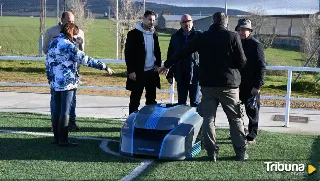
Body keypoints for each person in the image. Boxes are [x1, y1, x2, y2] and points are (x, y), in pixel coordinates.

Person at [158, 12, 248, 162]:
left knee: (208, 119)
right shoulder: (233, 36)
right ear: (226, 22)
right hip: (229, 86)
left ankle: (211, 153)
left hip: (208, 85)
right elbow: (242, 62)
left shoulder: (202, 37)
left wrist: (166, 64)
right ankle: (241, 152)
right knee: (235, 119)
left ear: (212, 21)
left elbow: (182, 52)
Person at [46, 23, 114, 146]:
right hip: (66, 83)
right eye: (75, 35)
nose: (75, 38)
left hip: (54, 81)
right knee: (65, 112)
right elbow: (85, 60)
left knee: (56, 111)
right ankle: (64, 140)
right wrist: (104, 66)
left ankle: (56, 138)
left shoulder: (53, 43)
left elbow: (48, 63)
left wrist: (50, 79)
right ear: (71, 33)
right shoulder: (68, 46)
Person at [43, 11, 85, 131]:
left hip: (72, 71)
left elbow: (82, 53)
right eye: (68, 21)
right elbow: (45, 49)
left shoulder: (79, 32)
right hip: (56, 71)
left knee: (72, 98)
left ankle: (71, 122)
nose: (70, 24)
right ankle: (55, 124)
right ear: (61, 20)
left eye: (72, 21)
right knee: (56, 98)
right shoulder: (52, 32)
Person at [125, 10, 162, 114]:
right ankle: (132, 122)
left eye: (153, 20)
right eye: (150, 19)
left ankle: (150, 123)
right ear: (143, 19)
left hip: (151, 72)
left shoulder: (155, 33)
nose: (152, 22)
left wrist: (158, 65)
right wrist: (131, 71)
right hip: (138, 73)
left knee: (151, 100)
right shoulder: (133, 34)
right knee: (135, 100)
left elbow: (157, 50)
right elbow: (128, 54)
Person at [235, 19, 266, 144]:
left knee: (252, 111)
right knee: (236, 111)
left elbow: (262, 66)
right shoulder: (235, 43)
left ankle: (252, 135)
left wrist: (258, 85)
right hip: (237, 84)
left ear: (249, 31)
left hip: (251, 85)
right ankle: (238, 132)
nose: (241, 32)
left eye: (244, 30)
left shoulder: (256, 45)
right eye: (239, 30)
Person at [166, 14, 201, 107]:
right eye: (184, 22)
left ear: (192, 22)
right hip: (181, 74)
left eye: (189, 21)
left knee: (195, 104)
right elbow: (171, 55)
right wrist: (170, 74)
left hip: (195, 75)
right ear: (180, 24)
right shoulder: (175, 37)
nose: (187, 24)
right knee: (181, 104)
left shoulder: (198, 36)